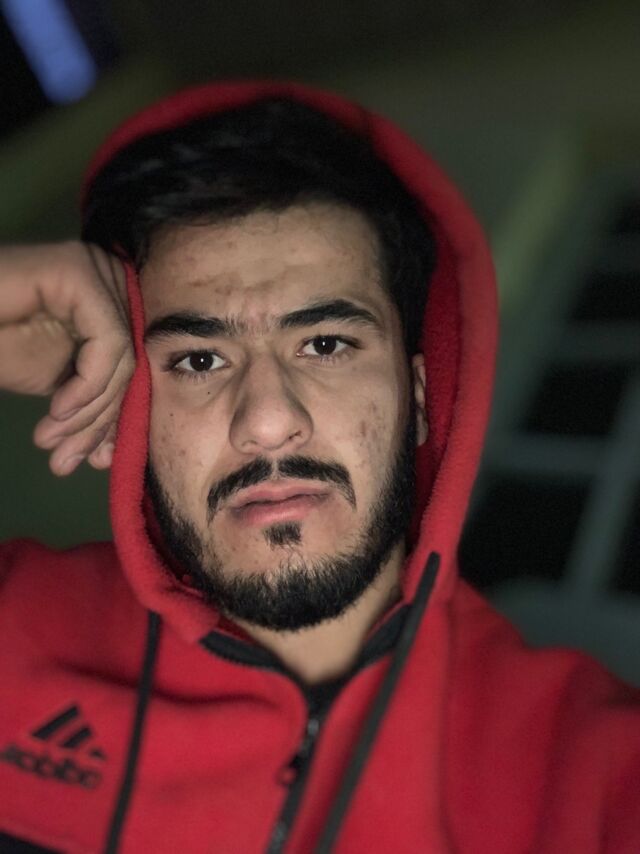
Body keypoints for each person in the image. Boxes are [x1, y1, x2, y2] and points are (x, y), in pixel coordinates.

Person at [0, 81, 638, 854]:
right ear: (128, 401)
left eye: (326, 344)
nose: (268, 421)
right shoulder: (18, 632)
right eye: (199, 359)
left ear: (421, 395)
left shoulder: (589, 769)